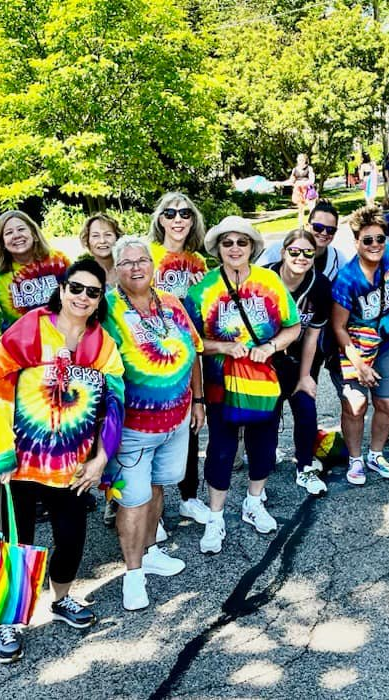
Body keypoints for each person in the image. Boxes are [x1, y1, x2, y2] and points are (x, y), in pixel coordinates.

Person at [0, 257, 125, 663]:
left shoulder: (102, 344)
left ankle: (60, 599)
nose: (82, 297)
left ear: (100, 300)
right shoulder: (28, 330)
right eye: (75, 288)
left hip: (71, 465)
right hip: (17, 461)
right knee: (16, 542)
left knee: (72, 536)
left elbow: (115, 403)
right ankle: (7, 619)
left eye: (92, 292)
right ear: (61, 290)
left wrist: (101, 459)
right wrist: (0, 449)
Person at [184, 216, 302, 554]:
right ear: (218, 249)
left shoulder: (270, 282)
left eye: (242, 242)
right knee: (221, 450)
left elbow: (292, 327)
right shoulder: (203, 289)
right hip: (222, 384)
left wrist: (270, 346)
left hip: (263, 383)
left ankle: (253, 503)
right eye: (227, 242)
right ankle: (216, 517)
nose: (235, 248)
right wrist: (222, 347)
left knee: (262, 446)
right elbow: (191, 342)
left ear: (252, 247)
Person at [102, 237, 204, 611]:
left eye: (142, 259)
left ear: (153, 264)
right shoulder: (107, 309)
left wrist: (198, 399)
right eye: (126, 262)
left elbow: (193, 351)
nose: (136, 267)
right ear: (116, 269)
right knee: (133, 500)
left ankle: (151, 550)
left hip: (176, 420)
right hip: (132, 427)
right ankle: (132, 576)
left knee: (159, 487)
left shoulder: (172, 303)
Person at [146, 193, 214, 525]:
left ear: (193, 220)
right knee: (151, 432)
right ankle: (150, 511)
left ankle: (189, 496)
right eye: (170, 213)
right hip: (151, 357)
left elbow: (205, 310)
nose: (177, 219)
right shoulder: (148, 255)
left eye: (185, 213)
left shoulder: (198, 262)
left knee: (191, 426)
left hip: (188, 355)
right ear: (160, 219)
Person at [331, 206, 389, 485]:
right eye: (367, 240)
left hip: (385, 344)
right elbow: (338, 326)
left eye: (379, 239)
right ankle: (355, 459)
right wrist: (359, 364)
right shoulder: (347, 279)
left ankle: (376, 454)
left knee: (387, 403)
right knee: (356, 405)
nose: (375, 245)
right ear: (356, 243)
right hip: (354, 346)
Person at [265, 229, 333, 496]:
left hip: (302, 357)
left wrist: (305, 376)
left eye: (308, 252)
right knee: (267, 413)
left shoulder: (320, 285)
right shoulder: (265, 279)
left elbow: (312, 336)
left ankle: (305, 466)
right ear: (283, 253)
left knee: (306, 407)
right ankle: (261, 467)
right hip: (267, 358)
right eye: (294, 251)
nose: (301, 257)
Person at [0, 211, 71, 330]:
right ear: (1, 243)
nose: (16, 235)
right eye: (8, 233)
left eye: (21, 229)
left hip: (62, 339)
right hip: (19, 345)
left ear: (34, 234)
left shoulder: (58, 261)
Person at [256, 199, 350, 280]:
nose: (324, 233)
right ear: (308, 226)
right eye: (318, 227)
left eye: (331, 230)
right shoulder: (277, 249)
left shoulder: (338, 258)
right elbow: (254, 277)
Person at [81, 213, 121, 287]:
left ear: (117, 238)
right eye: (95, 236)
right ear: (87, 240)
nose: (102, 241)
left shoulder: (130, 270)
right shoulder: (81, 276)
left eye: (108, 235)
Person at [286, 154, 316, 226]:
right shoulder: (295, 170)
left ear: (305, 160)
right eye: (299, 159)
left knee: (312, 208)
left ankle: (311, 223)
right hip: (299, 191)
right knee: (300, 209)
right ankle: (301, 225)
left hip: (308, 190)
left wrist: (302, 183)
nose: (300, 161)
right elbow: (291, 180)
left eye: (302, 159)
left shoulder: (309, 168)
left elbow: (312, 180)